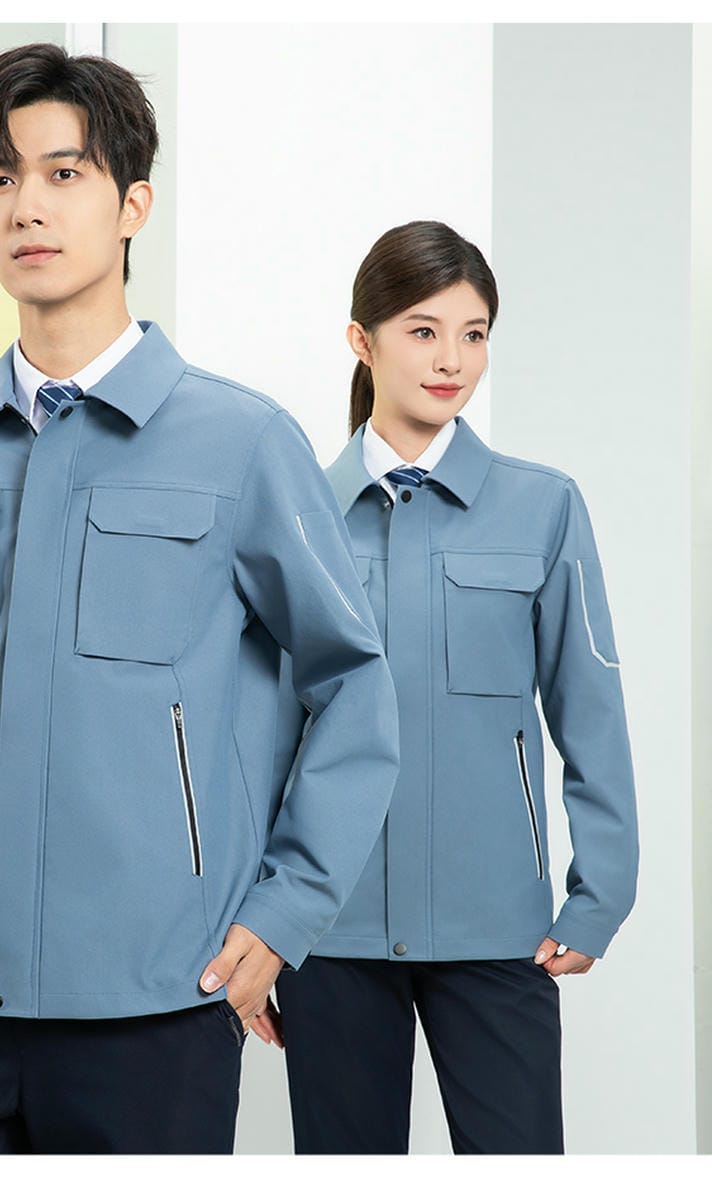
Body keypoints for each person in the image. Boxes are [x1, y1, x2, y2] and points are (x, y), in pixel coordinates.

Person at [0, 43, 399, 1155]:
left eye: (63, 173)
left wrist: (286, 910)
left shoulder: (241, 443)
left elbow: (356, 688)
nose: (26, 205)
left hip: (156, 1007)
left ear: (132, 205)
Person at [257, 221, 638, 1154]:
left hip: (498, 926)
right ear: (363, 339)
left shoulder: (543, 506)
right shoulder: (296, 514)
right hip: (329, 931)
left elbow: (590, 712)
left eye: (474, 334)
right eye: (423, 331)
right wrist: (257, 920)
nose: (452, 360)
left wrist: (600, 894)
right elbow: (257, 736)